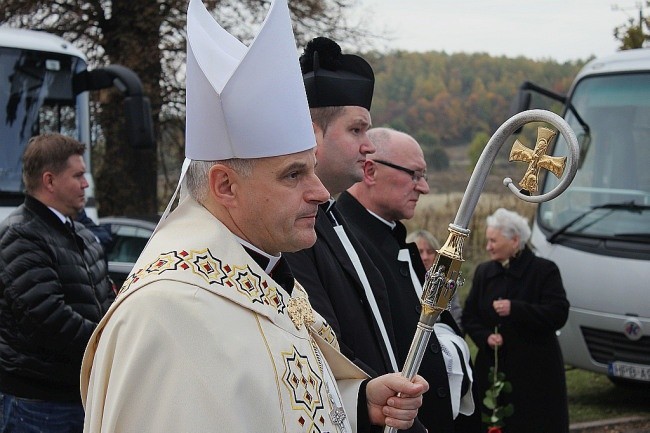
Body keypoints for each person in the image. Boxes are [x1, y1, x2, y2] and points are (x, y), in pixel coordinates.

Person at [80, 1, 427, 432]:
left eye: (313, 169)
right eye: (293, 175)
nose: (319, 192)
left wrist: (357, 402)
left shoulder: (264, 276)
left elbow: (275, 397)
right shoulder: (163, 313)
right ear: (225, 186)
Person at [337, 127, 478, 433]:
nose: (423, 187)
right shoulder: (344, 244)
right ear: (370, 171)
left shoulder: (387, 235)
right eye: (414, 174)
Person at [285, 37, 401, 381]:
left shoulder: (335, 215)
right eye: (356, 129)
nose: (369, 145)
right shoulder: (291, 229)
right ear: (310, 132)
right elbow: (325, 346)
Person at [0, 133, 114, 432]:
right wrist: (109, 344)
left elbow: (104, 299)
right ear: (49, 181)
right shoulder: (20, 235)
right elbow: (47, 317)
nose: (86, 184)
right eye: (77, 175)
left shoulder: (82, 235)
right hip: (39, 404)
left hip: (77, 396)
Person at [462, 207, 570, 433]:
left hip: (536, 372)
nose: (488, 247)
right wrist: (485, 337)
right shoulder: (484, 272)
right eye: (487, 240)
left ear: (515, 240)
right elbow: (470, 316)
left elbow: (558, 313)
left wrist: (517, 309)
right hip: (494, 369)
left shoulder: (544, 270)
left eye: (493, 241)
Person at [406, 229, 463, 329]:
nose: (425, 257)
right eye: (419, 252)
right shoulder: (403, 282)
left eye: (430, 252)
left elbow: (455, 316)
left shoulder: (446, 281)